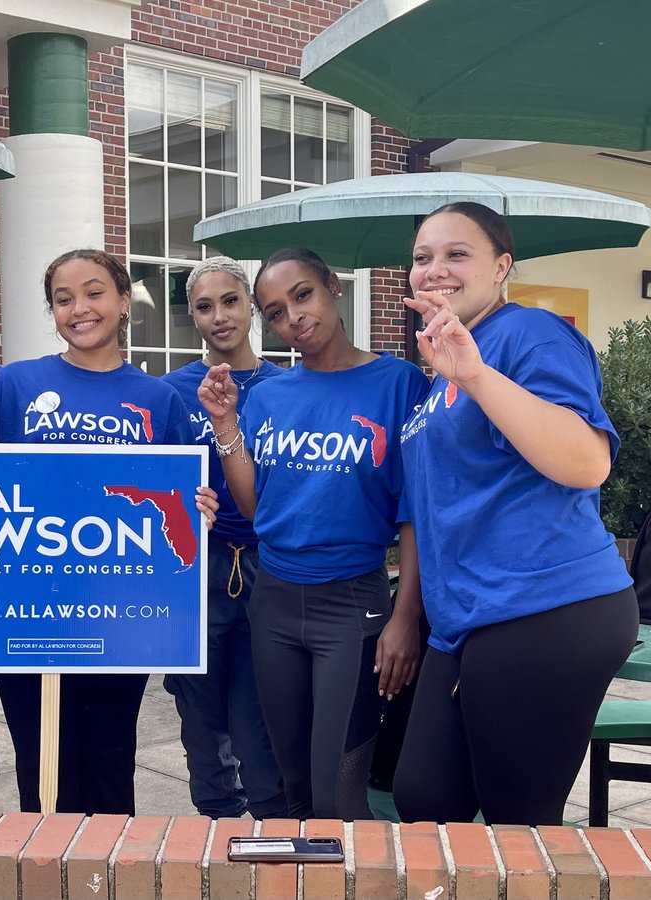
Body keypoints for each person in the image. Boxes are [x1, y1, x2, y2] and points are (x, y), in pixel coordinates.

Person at [393, 202, 638, 826]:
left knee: (519, 826)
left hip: (545, 607)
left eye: (457, 254)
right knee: (426, 798)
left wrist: (474, 374)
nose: (435, 269)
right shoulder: (444, 362)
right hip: (468, 617)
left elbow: (587, 461)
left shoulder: (531, 333)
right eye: (423, 257)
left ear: (502, 265)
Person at [0, 247, 214, 815]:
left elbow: (172, 497)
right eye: (63, 299)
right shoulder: (17, 383)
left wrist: (198, 507)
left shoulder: (157, 398)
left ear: (124, 301)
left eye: (94, 293)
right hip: (27, 608)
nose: (79, 309)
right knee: (42, 764)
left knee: (108, 761)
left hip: (118, 610)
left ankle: (106, 875)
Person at [197, 247, 429, 820]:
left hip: (352, 605)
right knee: (291, 787)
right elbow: (256, 510)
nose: (293, 318)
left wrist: (405, 618)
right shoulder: (270, 395)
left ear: (333, 286)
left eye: (302, 295)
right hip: (273, 603)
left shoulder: (397, 383)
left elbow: (416, 513)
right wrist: (226, 425)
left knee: (339, 795)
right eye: (274, 312)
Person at [159, 256, 287, 820]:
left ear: (251, 306)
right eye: (205, 307)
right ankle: (213, 831)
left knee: (259, 714)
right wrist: (179, 503)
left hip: (268, 564)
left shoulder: (285, 389)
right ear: (193, 316)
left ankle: (268, 827)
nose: (219, 316)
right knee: (201, 717)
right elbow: (151, 479)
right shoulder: (171, 392)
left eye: (230, 301)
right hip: (197, 567)